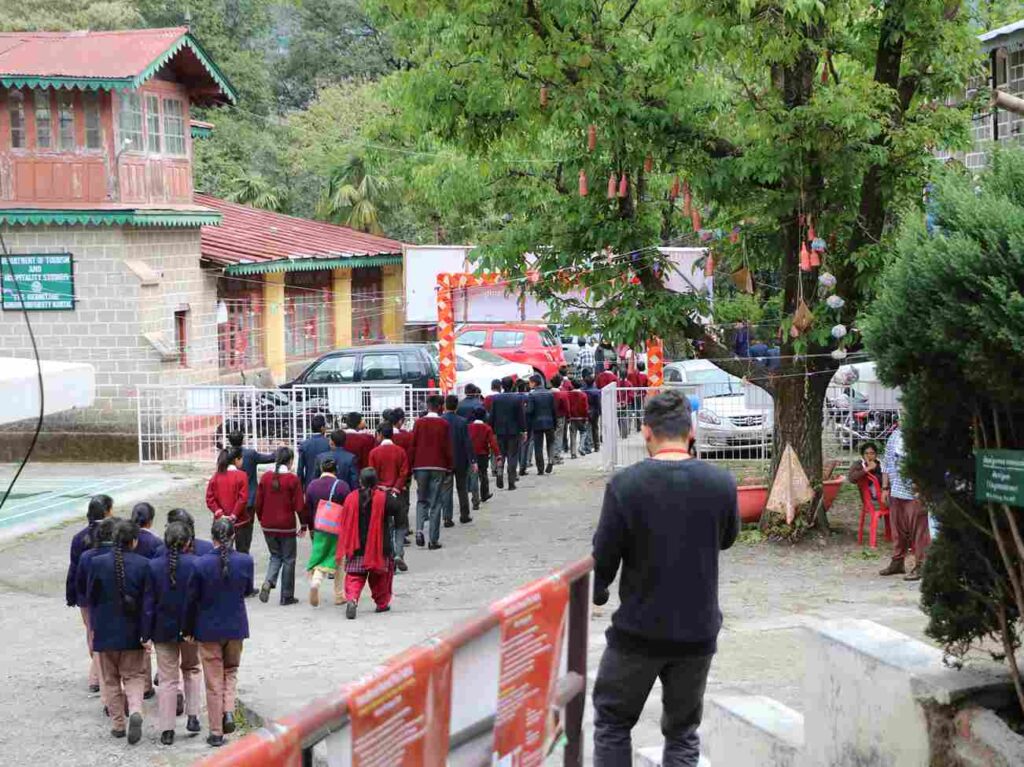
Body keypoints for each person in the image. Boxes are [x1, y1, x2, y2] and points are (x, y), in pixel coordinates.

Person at [591, 390, 739, 766]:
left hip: (638, 633)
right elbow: (727, 538)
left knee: (612, 720)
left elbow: (605, 555)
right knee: (683, 732)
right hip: (697, 631)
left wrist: (600, 589)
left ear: (645, 432)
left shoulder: (626, 486)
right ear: (691, 432)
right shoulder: (721, 483)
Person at [185, 518, 253, 748]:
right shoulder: (245, 561)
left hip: (208, 629)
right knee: (231, 672)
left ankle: (216, 731)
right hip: (235, 627)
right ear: (234, 536)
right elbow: (246, 590)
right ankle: (229, 710)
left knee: (213, 681)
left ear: (212, 537)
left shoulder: (200, 564)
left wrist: (188, 629)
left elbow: (191, 601)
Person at [87, 519, 151, 745]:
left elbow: (90, 598)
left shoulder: (97, 563)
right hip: (133, 633)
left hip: (105, 632)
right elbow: (148, 603)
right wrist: (146, 634)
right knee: (134, 677)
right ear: (134, 541)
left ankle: (117, 725)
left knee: (111, 679)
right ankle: (135, 709)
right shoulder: (144, 565)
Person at [143, 521, 202, 745]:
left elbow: (148, 603)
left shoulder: (153, 566)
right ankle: (193, 715)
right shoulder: (196, 563)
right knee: (192, 669)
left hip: (162, 629)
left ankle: (167, 729)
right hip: (191, 629)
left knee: (167, 679)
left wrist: (145, 633)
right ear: (188, 542)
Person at [336, 468, 402, 620]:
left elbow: (343, 520)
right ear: (376, 481)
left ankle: (352, 599)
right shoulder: (383, 498)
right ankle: (382, 604)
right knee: (380, 578)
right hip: (379, 548)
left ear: (360, 481)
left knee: (354, 577)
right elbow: (399, 510)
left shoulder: (351, 498)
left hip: (356, 546)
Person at [66, 494, 113, 694]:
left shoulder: (79, 538)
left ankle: (96, 674)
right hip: (108, 592)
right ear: (107, 511)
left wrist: (72, 595)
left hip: (85, 594)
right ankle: (101, 675)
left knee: (92, 632)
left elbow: (73, 569)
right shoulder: (114, 533)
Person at [254, 447, 306, 606]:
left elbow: (258, 503)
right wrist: (304, 524)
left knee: (275, 556)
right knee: (289, 559)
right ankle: (286, 596)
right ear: (290, 461)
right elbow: (299, 506)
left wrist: (262, 520)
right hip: (286, 525)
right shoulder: (292, 480)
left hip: (268, 525)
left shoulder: (266, 478)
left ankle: (269, 581)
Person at [880, 423, 930, 582]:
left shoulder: (924, 436)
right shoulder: (894, 435)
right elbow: (887, 463)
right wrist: (885, 487)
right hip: (896, 489)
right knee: (898, 530)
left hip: (915, 492)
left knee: (919, 531)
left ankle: (921, 565)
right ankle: (897, 561)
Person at [304, 458, 352, 607]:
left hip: (319, 527)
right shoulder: (342, 486)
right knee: (338, 560)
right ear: (335, 470)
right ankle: (339, 595)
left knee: (320, 557)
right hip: (337, 528)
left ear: (320, 468)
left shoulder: (312, 486)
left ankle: (316, 582)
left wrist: (310, 528)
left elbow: (308, 508)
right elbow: (349, 508)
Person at [410, 394, 453, 550]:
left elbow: (413, 445)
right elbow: (447, 447)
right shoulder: (443, 424)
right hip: (439, 466)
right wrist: (449, 466)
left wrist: (412, 465)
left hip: (420, 465)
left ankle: (419, 530)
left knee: (421, 499)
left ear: (427, 406)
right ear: (441, 406)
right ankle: (433, 539)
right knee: (436, 503)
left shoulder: (419, 424)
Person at [369, 422, 412, 571]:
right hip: (397, 493)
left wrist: (379, 487)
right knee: (400, 525)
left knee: (385, 526)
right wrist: (396, 487)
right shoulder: (400, 451)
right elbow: (404, 472)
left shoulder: (374, 453)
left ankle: (390, 557)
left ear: (380, 434)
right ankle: (399, 553)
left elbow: (371, 474)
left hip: (381, 494)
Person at [226, 431, 276, 555]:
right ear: (242, 440)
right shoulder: (250, 454)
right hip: (249, 500)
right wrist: (280, 451)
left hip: (230, 501)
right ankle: (243, 554)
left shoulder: (225, 455)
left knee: (228, 530)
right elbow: (269, 458)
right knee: (246, 531)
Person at [442, 394, 476, 526]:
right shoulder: (462, 421)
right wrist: (472, 460)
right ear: (457, 406)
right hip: (461, 460)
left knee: (446, 490)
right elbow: (468, 442)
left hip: (446, 461)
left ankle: (447, 517)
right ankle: (464, 514)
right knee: (462, 489)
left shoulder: (441, 420)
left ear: (445, 405)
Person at [205, 448, 250, 547]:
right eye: (242, 458)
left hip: (221, 522)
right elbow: (243, 499)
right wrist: (234, 515)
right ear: (236, 460)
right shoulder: (242, 475)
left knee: (222, 552)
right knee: (242, 551)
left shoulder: (216, 476)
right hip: (240, 521)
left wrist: (219, 513)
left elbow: (209, 498)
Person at [489, 376, 527, 490]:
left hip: (499, 431)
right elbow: (521, 416)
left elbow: (492, 416)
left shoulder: (496, 399)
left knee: (501, 454)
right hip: (513, 431)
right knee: (512, 455)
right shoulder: (517, 399)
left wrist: (492, 430)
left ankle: (500, 471)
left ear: (502, 386)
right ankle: (511, 482)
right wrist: (524, 430)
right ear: (512, 385)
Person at [468, 407, 499, 509]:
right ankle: (484, 494)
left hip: (471, 455)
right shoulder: (487, 428)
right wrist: (498, 454)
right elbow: (492, 442)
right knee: (483, 475)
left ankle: (475, 498)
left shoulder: (469, 427)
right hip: (483, 454)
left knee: (473, 477)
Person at [527, 374, 557, 475]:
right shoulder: (549, 393)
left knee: (538, 446)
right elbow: (553, 410)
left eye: (530, 382)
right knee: (551, 443)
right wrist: (555, 422)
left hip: (537, 423)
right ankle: (551, 461)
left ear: (534, 383)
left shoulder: (532, 395)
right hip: (549, 422)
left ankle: (540, 468)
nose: (529, 384)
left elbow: (530, 410)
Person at [296, 415, 331, 490]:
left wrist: (300, 488)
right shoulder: (329, 443)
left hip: (309, 483)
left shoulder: (304, 444)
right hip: (326, 484)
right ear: (322, 428)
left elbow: (300, 469)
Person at [549, 374, 570, 465]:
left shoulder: (548, 393)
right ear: (560, 382)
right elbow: (566, 407)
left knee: (551, 437)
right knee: (558, 436)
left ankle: (551, 456)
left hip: (550, 417)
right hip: (560, 417)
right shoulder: (562, 393)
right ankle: (556, 456)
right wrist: (568, 416)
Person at [568, 380, 591, 458]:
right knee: (583, 432)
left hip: (572, 417)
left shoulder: (569, 394)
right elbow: (585, 407)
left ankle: (573, 453)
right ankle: (581, 447)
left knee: (572, 435)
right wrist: (586, 416)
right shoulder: (583, 395)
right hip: (581, 417)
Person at [516, 378, 534, 475]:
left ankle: (520, 465)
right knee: (525, 445)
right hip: (527, 423)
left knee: (518, 445)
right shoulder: (528, 397)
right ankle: (523, 466)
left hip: (516, 424)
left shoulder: (514, 397)